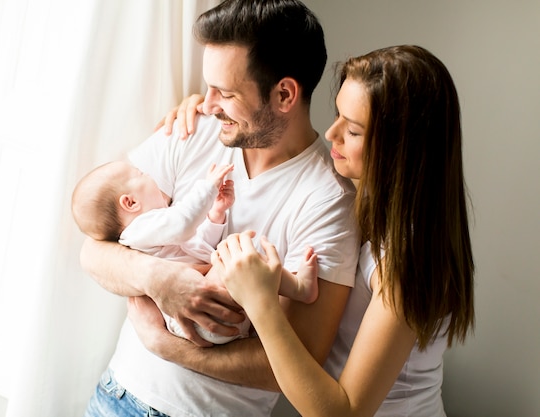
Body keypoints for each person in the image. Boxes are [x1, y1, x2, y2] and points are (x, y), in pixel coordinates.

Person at [79, 1, 360, 416]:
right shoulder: (192, 131)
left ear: (284, 94)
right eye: (209, 88)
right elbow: (94, 250)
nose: (207, 104)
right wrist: (160, 279)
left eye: (225, 93)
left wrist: (167, 346)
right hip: (115, 397)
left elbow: (297, 360)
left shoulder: (329, 201)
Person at [187, 45, 475, 416]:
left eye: (352, 130)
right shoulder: (368, 212)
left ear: (400, 148)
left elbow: (345, 412)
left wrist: (260, 304)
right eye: (338, 114)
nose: (331, 132)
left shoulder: (407, 261)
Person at [71, 160, 319, 344]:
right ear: (130, 202)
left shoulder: (155, 234)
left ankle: (261, 312)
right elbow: (183, 223)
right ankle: (298, 289)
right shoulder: (138, 230)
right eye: (140, 174)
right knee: (237, 255)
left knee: (236, 258)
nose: (149, 174)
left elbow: (199, 247)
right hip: (198, 320)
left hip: (211, 312)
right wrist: (207, 188)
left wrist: (215, 214)